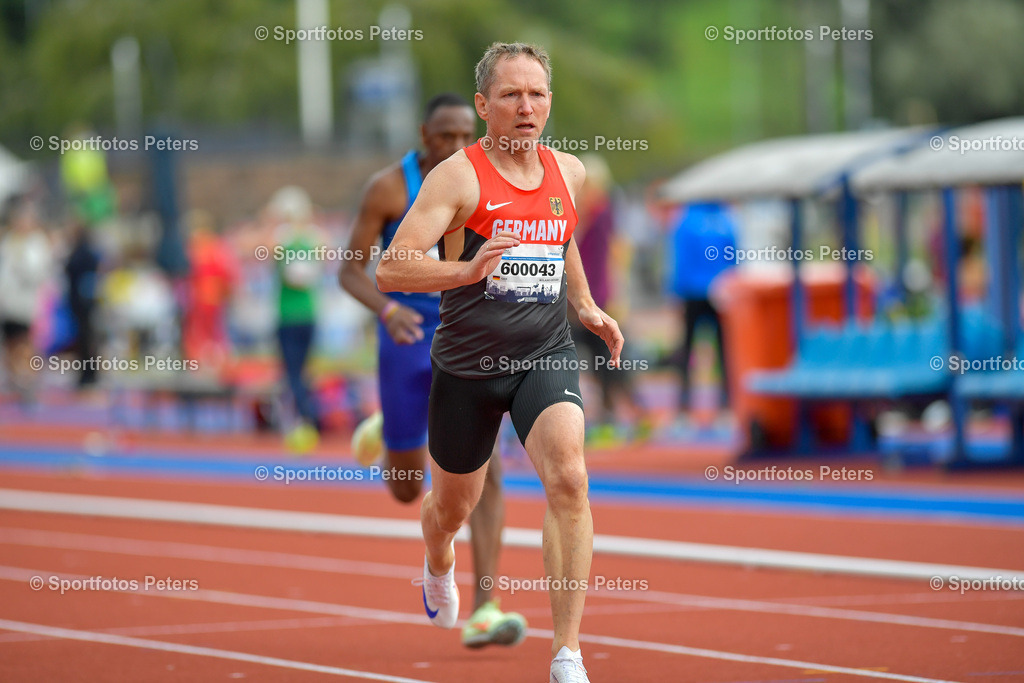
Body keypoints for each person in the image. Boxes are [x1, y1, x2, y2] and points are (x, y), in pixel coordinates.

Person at [377, 42, 623, 683]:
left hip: (544, 352)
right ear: (484, 105)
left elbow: (560, 233)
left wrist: (586, 304)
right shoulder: (456, 177)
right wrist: (467, 268)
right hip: (467, 366)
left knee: (569, 477)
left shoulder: (569, 171)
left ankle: (567, 652)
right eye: (511, 95)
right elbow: (391, 266)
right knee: (452, 506)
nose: (526, 107)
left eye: (537, 94)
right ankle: (437, 559)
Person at [340, 92, 527, 649]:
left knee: (485, 470)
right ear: (424, 134)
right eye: (445, 136)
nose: (456, 146)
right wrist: (388, 308)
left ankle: (487, 605)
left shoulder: (484, 180)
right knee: (406, 489)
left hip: (467, 337)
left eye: (465, 135)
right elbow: (351, 273)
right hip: (407, 337)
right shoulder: (388, 189)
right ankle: (392, 426)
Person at [665, 201, 736, 417]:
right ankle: (727, 402)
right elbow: (734, 258)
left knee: (687, 347)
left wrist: (675, 292)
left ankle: (684, 402)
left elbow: (679, 260)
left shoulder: (685, 220)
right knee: (725, 350)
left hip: (691, 293)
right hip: (720, 293)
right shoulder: (727, 220)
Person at [269, 186, 323, 452]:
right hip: (308, 314)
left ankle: (305, 422)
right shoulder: (312, 241)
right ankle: (308, 421)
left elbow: (294, 275)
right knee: (302, 373)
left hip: (289, 316)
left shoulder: (285, 243)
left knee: (292, 374)